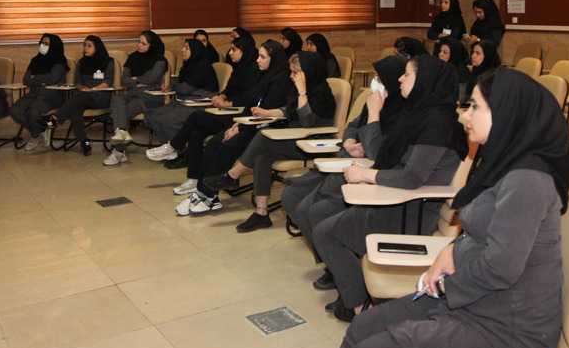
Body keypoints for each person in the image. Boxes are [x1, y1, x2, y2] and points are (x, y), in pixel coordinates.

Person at [249, 67, 569, 348]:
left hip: (505, 333)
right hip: (478, 302)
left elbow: (501, 267)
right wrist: (451, 249)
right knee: (364, 327)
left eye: (476, 106)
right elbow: (484, 233)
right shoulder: (506, 163)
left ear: (506, 113)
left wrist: (446, 285)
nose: (465, 114)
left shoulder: (528, 180)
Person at [314, 55, 468, 322]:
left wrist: (366, 174)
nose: (399, 79)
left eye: (406, 74)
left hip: (411, 211)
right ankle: (356, 297)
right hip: (394, 200)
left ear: (424, 81)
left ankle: (357, 306)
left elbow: (411, 178)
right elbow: (382, 153)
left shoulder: (438, 125)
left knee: (326, 234)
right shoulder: (418, 114)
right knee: (325, 227)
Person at [283, 55, 408, 292]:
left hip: (366, 177)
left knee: (313, 210)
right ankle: (333, 264)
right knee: (293, 199)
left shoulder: (401, 112)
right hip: (345, 163)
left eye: (380, 78)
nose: (375, 82)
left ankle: (338, 268)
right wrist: (350, 142)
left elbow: (376, 150)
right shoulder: (374, 103)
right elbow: (352, 127)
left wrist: (374, 114)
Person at [203, 51, 336, 232]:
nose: (291, 76)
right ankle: (261, 213)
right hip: (295, 138)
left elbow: (306, 121)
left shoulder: (322, 93)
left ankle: (233, 175)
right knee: (262, 156)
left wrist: (302, 90)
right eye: (291, 72)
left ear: (308, 72)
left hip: (313, 144)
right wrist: (267, 113)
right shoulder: (300, 89)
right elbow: (289, 110)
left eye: (295, 72)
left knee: (264, 135)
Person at [168, 39, 290, 209]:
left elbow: (266, 113)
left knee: (227, 145)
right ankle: (203, 191)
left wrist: (240, 127)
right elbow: (250, 106)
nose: (257, 60)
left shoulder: (281, 79)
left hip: (267, 129)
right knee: (214, 142)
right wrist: (237, 125)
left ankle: (209, 196)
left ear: (273, 58)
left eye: (262, 57)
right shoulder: (262, 74)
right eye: (258, 56)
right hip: (251, 123)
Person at [141, 37, 219, 159]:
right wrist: (171, 87)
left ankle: (177, 150)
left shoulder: (202, 66)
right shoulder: (188, 65)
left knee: (164, 119)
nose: (182, 50)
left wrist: (174, 86)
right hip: (185, 101)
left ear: (195, 50)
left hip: (199, 105)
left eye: (187, 48)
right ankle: (171, 148)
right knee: (151, 115)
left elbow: (184, 88)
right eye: (183, 47)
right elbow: (179, 85)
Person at [39, 35, 115, 156]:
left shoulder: (109, 61)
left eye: (89, 46)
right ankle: (84, 142)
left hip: (101, 96)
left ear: (97, 47)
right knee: (76, 109)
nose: (86, 48)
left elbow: (108, 81)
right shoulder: (82, 62)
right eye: (84, 45)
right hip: (83, 97)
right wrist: (80, 87)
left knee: (80, 97)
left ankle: (54, 118)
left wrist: (92, 89)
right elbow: (77, 81)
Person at [104, 30, 168, 165]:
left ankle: (118, 152)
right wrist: (138, 82)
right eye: (139, 42)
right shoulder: (133, 57)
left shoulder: (160, 60)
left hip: (149, 97)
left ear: (152, 45)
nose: (139, 45)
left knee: (121, 112)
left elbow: (151, 79)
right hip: (133, 94)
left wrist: (135, 79)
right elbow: (124, 79)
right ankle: (121, 141)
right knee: (117, 99)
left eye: (144, 44)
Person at [10, 33, 68, 151]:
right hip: (35, 93)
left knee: (34, 111)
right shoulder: (35, 60)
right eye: (42, 43)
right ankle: (39, 130)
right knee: (15, 110)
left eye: (46, 44)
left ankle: (34, 136)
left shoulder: (60, 60)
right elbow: (26, 79)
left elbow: (53, 78)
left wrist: (35, 77)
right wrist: (40, 81)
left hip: (52, 95)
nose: (43, 46)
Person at [434, 37, 474, 105]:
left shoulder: (461, 73)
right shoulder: (440, 70)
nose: (440, 54)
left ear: (454, 55)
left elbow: (460, 98)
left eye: (445, 52)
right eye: (440, 51)